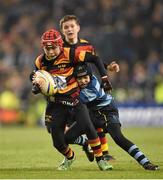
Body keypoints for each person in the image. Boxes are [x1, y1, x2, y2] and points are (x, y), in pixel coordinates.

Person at [30, 28, 113, 171]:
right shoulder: (40, 61)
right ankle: (70, 157)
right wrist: (36, 86)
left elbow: (95, 59)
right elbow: (35, 76)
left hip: (74, 100)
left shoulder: (70, 54)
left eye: (53, 48)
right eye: (46, 48)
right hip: (55, 104)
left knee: (88, 127)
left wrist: (104, 78)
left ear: (60, 45)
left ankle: (101, 160)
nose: (49, 52)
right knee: (58, 142)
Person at [73, 63, 159, 171]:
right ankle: (90, 146)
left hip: (107, 111)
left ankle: (145, 162)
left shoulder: (92, 88)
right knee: (68, 134)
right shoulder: (88, 78)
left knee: (119, 138)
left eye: (85, 78)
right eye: (79, 78)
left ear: (90, 76)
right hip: (93, 111)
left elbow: (76, 100)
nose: (82, 81)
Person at [59, 14, 119, 161]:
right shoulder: (59, 48)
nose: (69, 29)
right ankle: (85, 145)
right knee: (60, 127)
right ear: (62, 31)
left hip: (85, 88)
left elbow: (93, 60)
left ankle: (103, 153)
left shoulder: (86, 45)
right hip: (68, 90)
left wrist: (107, 67)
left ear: (78, 28)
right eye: (66, 27)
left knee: (95, 119)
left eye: (72, 26)